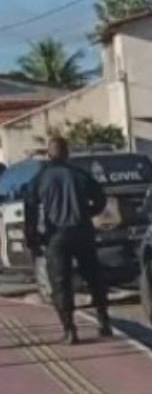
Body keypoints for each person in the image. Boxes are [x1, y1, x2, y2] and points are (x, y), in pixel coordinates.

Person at [24, 137, 112, 346]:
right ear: (67, 154)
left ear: (48, 154)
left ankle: (69, 328)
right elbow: (100, 199)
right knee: (94, 277)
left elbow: (31, 208)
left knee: (61, 283)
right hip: (82, 231)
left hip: (56, 236)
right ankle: (103, 320)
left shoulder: (40, 179)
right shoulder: (80, 175)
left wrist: (32, 237)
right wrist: (88, 212)